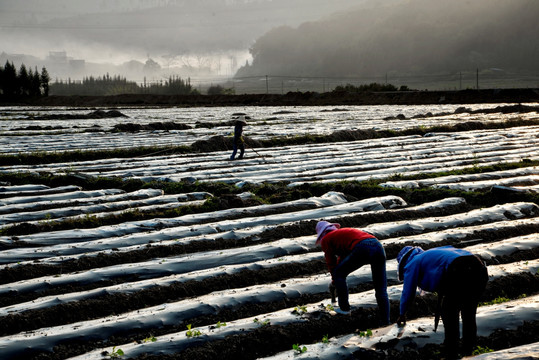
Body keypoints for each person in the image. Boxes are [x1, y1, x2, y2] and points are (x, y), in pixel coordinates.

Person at [396, 245, 488, 358]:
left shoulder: (413, 262)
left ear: (404, 261)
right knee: (468, 313)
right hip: (479, 267)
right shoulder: (433, 253)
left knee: (449, 313)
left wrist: (402, 313)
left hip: (459, 269)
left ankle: (451, 352)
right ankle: (468, 351)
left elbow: (408, 291)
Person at [315, 221, 390, 325]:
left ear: (322, 234)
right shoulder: (341, 236)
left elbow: (331, 263)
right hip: (378, 246)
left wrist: (335, 279)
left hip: (363, 246)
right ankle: (386, 321)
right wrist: (336, 279)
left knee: (338, 273)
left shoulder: (326, 240)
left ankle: (344, 309)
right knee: (381, 288)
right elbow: (342, 260)